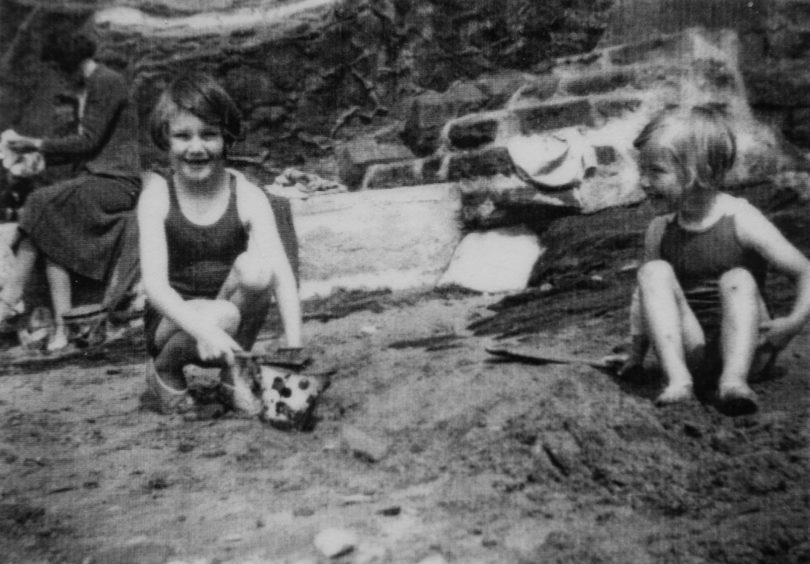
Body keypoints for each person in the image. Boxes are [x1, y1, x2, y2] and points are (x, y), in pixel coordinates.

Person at [617, 105, 810, 415]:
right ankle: (678, 379)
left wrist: (793, 323)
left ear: (698, 172)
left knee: (738, 278)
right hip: (695, 351)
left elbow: (805, 272)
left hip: (750, 352)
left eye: (656, 171)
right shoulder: (659, 230)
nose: (644, 182)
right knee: (652, 272)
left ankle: (734, 382)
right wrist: (636, 355)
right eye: (643, 170)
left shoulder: (741, 218)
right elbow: (644, 298)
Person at [138, 71, 302, 415]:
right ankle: (166, 374)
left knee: (258, 271)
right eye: (183, 136)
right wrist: (206, 329)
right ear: (166, 139)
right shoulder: (158, 197)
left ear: (225, 138)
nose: (196, 147)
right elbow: (154, 287)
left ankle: (233, 376)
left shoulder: (247, 195)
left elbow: (282, 274)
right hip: (172, 321)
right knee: (224, 315)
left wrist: (294, 346)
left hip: (224, 310)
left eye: (209, 135)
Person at [0, 30, 141, 351]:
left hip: (117, 182)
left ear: (68, 63)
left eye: (58, 67)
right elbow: (83, 147)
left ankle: (8, 299)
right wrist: (37, 154)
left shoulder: (106, 82)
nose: (58, 75)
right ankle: (64, 327)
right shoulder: (91, 85)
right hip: (99, 178)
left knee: (39, 202)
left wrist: (34, 143)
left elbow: (88, 141)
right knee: (50, 227)